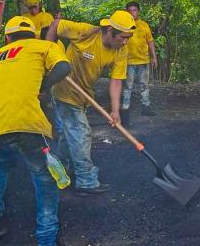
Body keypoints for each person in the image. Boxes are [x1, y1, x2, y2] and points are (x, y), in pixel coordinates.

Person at [0, 16, 78, 246]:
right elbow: (64, 68)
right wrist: (44, 84)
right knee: (44, 178)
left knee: (0, 168)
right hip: (26, 124)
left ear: (7, 38)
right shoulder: (45, 46)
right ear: (33, 35)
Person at [46, 11, 134, 196]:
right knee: (81, 133)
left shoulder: (121, 50)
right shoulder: (86, 32)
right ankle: (86, 180)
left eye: (128, 38)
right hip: (65, 87)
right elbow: (55, 25)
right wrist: (48, 53)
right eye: (123, 37)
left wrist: (115, 111)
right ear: (110, 30)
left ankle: (59, 166)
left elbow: (116, 81)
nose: (125, 42)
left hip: (84, 93)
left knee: (69, 134)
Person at [121, 1, 159, 123]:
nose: (132, 13)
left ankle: (146, 107)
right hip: (128, 61)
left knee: (144, 85)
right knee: (128, 86)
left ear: (138, 11)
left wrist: (154, 57)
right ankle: (125, 108)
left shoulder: (144, 25)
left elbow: (150, 41)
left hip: (143, 60)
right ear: (126, 12)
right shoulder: (123, 25)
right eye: (129, 10)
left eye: (134, 10)